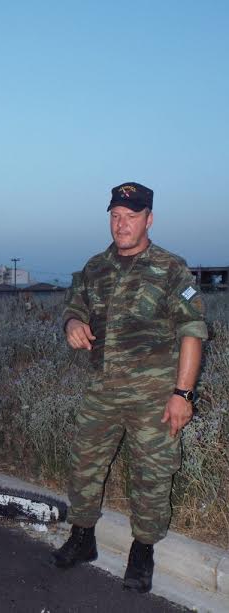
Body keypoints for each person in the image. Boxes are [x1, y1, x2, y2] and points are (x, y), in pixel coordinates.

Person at [53, 182, 207, 593]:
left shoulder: (172, 269)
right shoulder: (94, 267)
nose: (122, 225)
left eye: (132, 217)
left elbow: (193, 331)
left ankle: (143, 551)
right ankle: (82, 537)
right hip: (101, 390)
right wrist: (72, 324)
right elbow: (74, 306)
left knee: (152, 476)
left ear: (149, 219)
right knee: (84, 464)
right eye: (116, 216)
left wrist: (183, 394)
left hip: (154, 397)